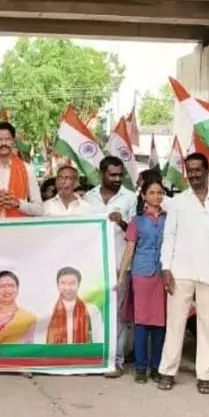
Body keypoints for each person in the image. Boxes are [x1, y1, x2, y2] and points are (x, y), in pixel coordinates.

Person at [158, 153, 209, 394]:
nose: (193, 174)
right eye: (189, 170)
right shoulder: (178, 201)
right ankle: (167, 372)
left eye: (197, 169)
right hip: (180, 271)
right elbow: (169, 236)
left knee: (208, 325)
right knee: (176, 323)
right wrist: (165, 268)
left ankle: (204, 374)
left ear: (207, 171)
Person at [85, 156, 139, 378]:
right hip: (93, 264)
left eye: (120, 175)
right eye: (112, 175)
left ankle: (116, 360)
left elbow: (136, 233)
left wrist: (122, 222)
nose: (117, 179)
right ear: (102, 174)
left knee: (116, 314)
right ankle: (94, 356)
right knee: (94, 311)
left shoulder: (130, 198)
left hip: (119, 264)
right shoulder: (88, 198)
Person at [118, 176, 169, 384]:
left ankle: (157, 367)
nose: (156, 196)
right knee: (141, 322)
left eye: (159, 192)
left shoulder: (170, 218)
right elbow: (129, 249)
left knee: (160, 323)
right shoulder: (136, 221)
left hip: (163, 274)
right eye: (152, 193)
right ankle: (141, 367)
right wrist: (121, 275)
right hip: (141, 274)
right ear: (143, 196)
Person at [39, 266, 102, 346]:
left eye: (72, 283)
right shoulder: (48, 310)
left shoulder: (91, 309)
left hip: (83, 356)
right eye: (63, 283)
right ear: (58, 285)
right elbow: (39, 340)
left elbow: (98, 339)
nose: (68, 288)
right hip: (54, 357)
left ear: (78, 285)